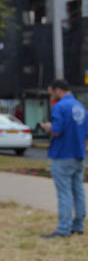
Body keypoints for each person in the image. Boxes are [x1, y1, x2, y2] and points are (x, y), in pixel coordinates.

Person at [41, 79, 87, 238]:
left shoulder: (59, 107)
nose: (51, 96)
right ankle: (78, 225)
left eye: (51, 93)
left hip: (62, 154)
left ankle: (63, 229)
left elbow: (57, 130)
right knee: (78, 191)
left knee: (64, 193)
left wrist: (48, 127)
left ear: (57, 90)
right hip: (78, 154)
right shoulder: (80, 106)